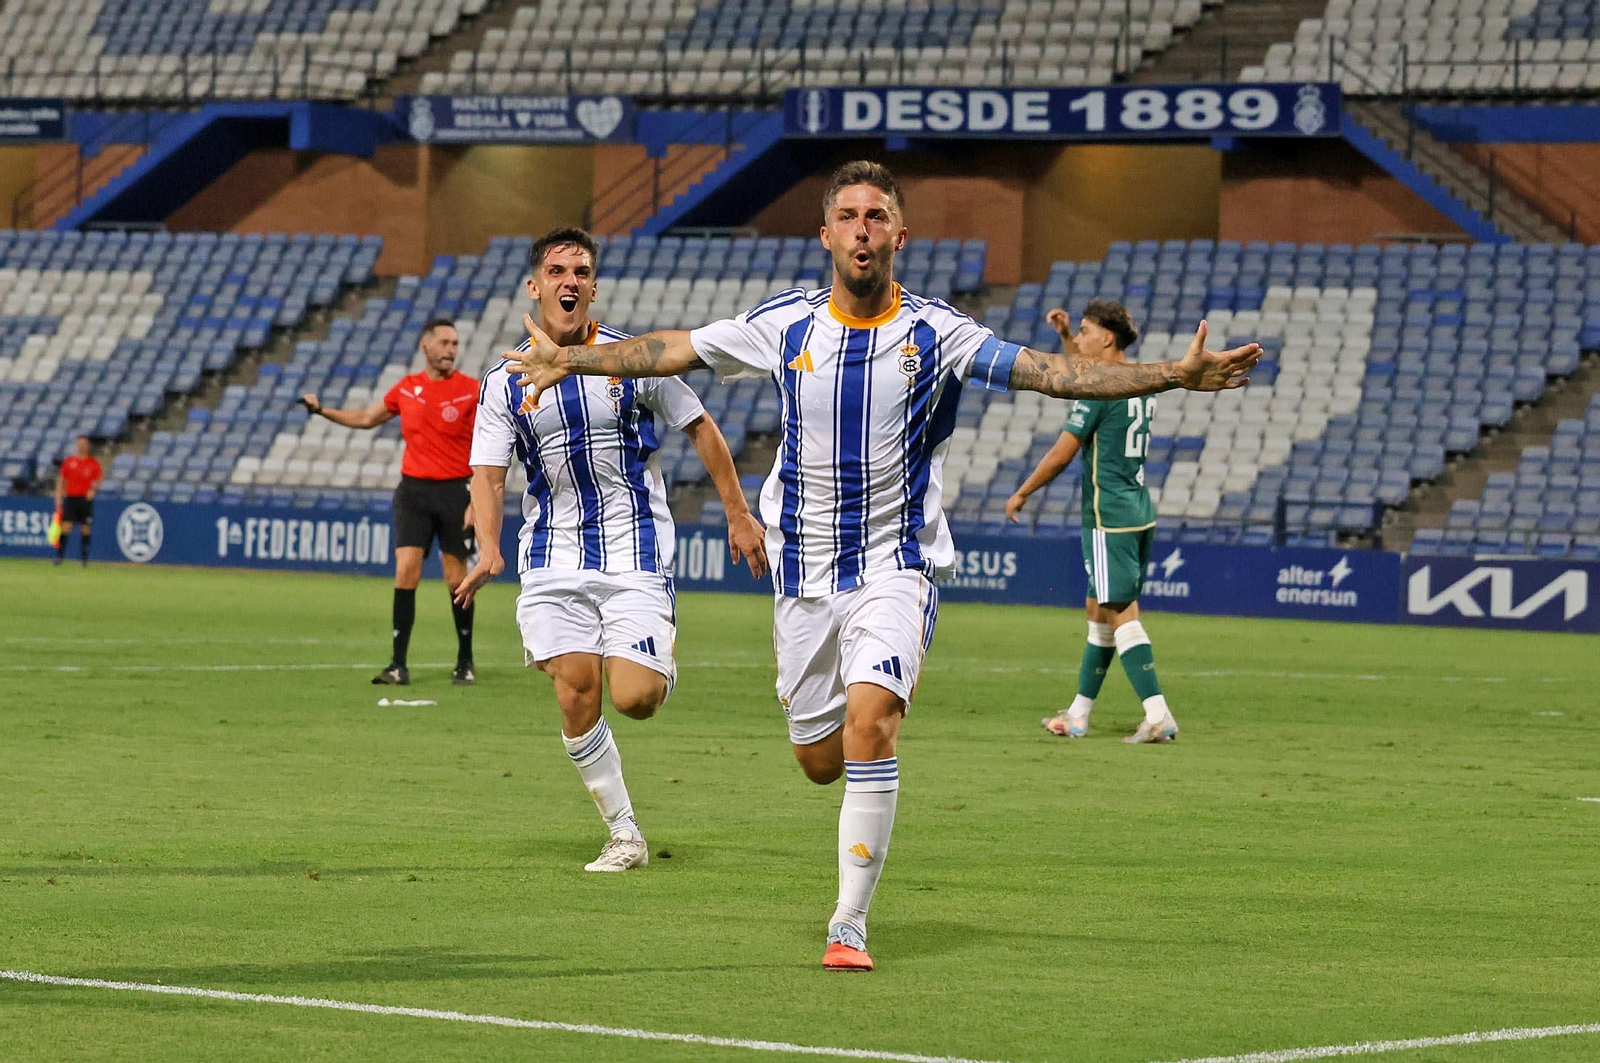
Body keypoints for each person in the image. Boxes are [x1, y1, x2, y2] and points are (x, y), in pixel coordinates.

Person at [507, 161, 1259, 969]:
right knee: (818, 760)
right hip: (805, 578)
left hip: (895, 565)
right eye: (849, 215)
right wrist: (574, 361)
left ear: (900, 235)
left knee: (873, 722)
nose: (863, 228)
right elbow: (672, 350)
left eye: (877, 215)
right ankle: (856, 722)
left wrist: (1171, 377)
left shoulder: (939, 331)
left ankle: (848, 923)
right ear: (826, 235)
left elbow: (1054, 373)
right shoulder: (787, 322)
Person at [452, 227, 767, 872]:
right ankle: (624, 831)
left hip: (634, 548)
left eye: (582, 271)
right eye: (558, 270)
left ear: (593, 287)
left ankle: (658, 651)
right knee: (574, 692)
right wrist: (487, 545)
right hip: (551, 556)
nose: (571, 281)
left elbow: (699, 424)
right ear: (534, 287)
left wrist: (738, 512)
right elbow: (486, 471)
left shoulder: (632, 358)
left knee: (635, 699)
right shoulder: (503, 381)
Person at [1006, 301, 1175, 743]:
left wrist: (1023, 491)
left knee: (1118, 612)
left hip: (1108, 517)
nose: (1077, 340)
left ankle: (1158, 714)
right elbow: (1085, 368)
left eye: (1084, 331)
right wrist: (1064, 334)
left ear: (1107, 338)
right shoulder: (1140, 381)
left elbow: (1064, 450)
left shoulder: (1101, 390)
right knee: (1098, 609)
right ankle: (1078, 714)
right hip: (1137, 511)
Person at [301, 318, 479, 687]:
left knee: (456, 579)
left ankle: (465, 660)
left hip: (455, 492)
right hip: (413, 492)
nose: (450, 350)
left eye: (455, 344)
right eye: (444, 342)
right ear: (424, 346)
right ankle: (398, 665)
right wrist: (322, 412)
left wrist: (477, 498)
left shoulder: (470, 391)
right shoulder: (407, 388)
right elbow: (367, 418)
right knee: (405, 572)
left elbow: (488, 445)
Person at [53, 435, 102, 567]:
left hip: (84, 500)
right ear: (76, 445)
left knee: (85, 529)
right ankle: (59, 557)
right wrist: (58, 497)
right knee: (66, 527)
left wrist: (93, 490)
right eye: (79, 443)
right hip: (71, 498)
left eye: (84, 443)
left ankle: (84, 559)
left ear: (88, 446)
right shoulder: (69, 462)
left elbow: (98, 481)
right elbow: (61, 479)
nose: (81, 446)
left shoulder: (92, 463)